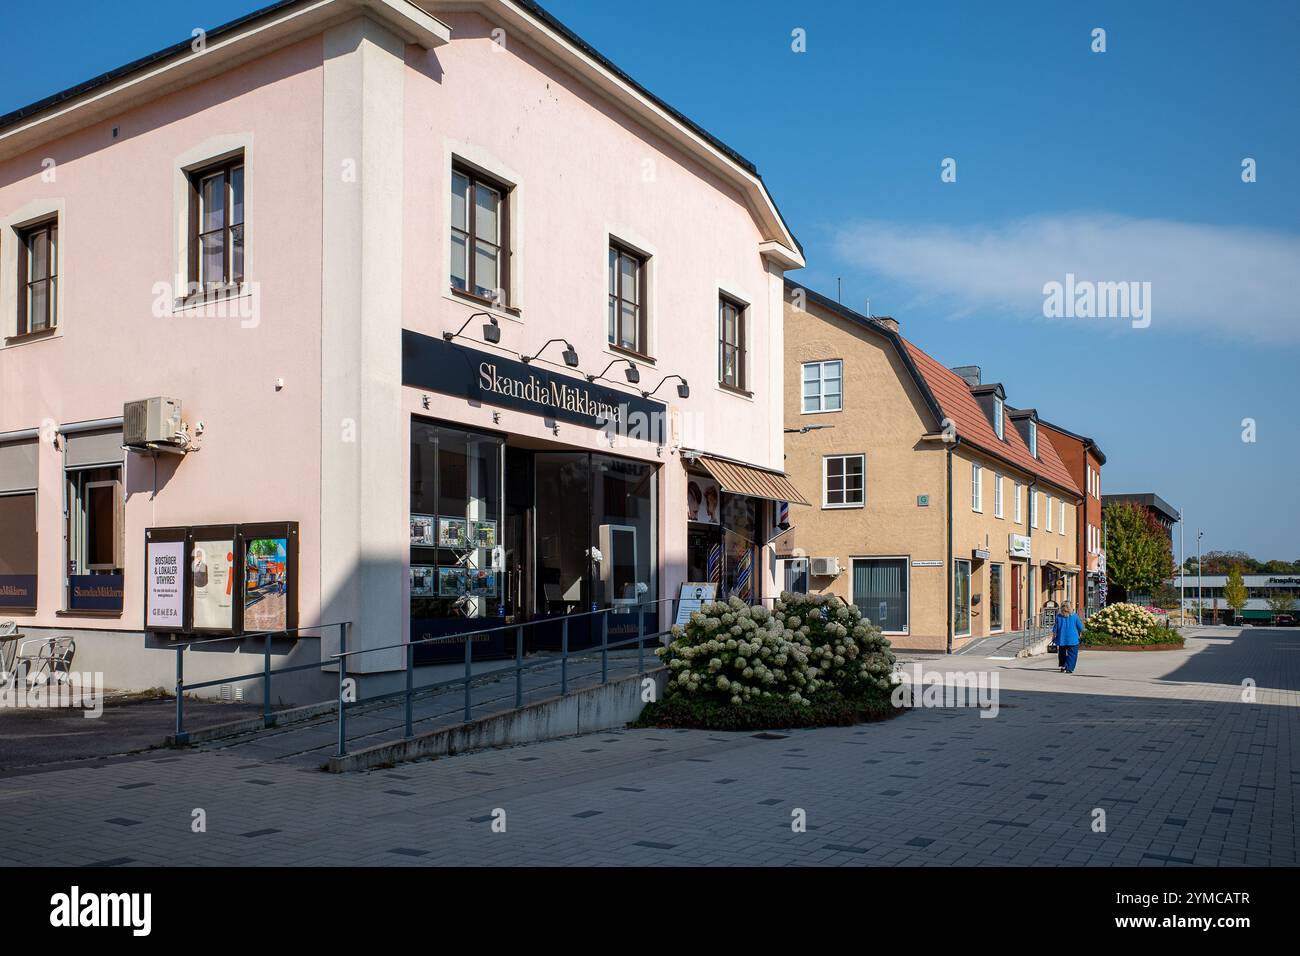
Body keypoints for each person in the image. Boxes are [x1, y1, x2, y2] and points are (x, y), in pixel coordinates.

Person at [1053, 602, 1084, 673]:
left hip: (1062, 638)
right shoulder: (1074, 616)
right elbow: (1080, 627)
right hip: (1073, 639)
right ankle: (1069, 668)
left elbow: (1055, 628)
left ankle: (1063, 666)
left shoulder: (1058, 616)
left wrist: (1054, 636)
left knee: (1062, 653)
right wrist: (1083, 632)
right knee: (1072, 654)